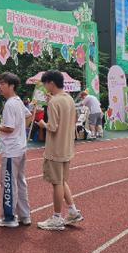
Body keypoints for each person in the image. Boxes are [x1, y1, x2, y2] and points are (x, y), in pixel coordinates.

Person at [35, 70, 83, 231]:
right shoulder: (68, 98)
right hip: (67, 147)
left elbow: (53, 127)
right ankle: (72, 210)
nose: (44, 87)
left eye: (45, 84)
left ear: (51, 83)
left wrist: (42, 124)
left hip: (55, 149)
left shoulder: (54, 102)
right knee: (62, 181)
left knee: (56, 183)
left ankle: (56, 217)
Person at [0, 72, 32, 227]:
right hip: (20, 148)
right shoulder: (18, 101)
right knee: (20, 182)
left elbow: (8, 127)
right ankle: (25, 215)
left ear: (11, 85)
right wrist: (21, 132)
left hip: (11, 151)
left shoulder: (10, 104)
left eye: (2, 84)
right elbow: (28, 116)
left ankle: (9, 217)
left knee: (8, 183)